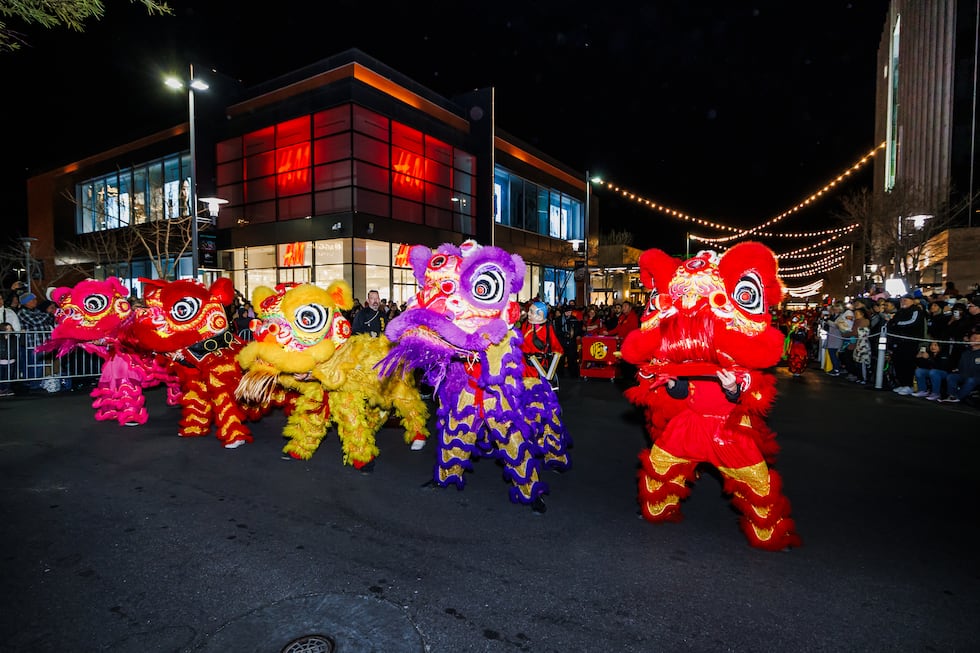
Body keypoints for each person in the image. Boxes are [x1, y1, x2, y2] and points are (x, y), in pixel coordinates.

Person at [889, 294, 927, 395]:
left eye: (905, 300)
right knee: (898, 362)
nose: (903, 302)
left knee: (907, 363)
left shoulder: (916, 311)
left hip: (910, 342)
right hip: (899, 341)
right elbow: (892, 323)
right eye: (902, 300)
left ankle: (908, 385)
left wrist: (897, 323)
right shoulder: (900, 312)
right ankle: (902, 383)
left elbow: (912, 322)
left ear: (912, 301)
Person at [940, 330, 980, 403]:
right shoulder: (965, 352)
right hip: (964, 375)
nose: (973, 340)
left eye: (975, 338)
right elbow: (961, 366)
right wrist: (957, 370)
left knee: (971, 380)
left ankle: (957, 397)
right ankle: (951, 396)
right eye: (972, 338)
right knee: (951, 376)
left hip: (977, 377)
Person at [0, 321, 16, 396]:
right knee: (1, 376)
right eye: (7, 329)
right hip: (1, 361)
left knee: (9, 376)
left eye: (10, 328)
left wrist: (22, 334)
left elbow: (21, 344)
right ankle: (1, 389)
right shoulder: (1, 338)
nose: (9, 330)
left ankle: (7, 389)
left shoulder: (14, 338)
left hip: (11, 361)